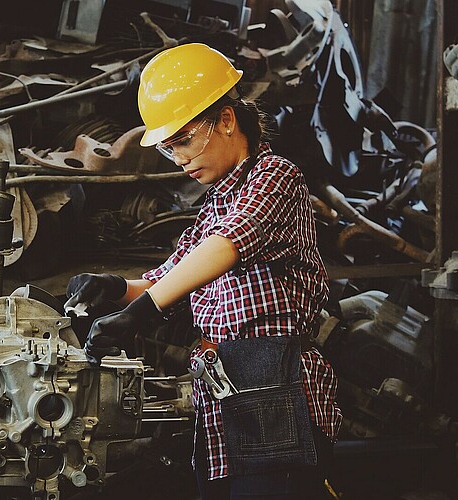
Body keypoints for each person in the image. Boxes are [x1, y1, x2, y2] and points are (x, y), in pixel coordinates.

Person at [64, 43, 342, 499]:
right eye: (170, 148)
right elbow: (167, 279)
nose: (179, 159)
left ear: (227, 120)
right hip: (222, 392)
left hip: (274, 388)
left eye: (185, 140)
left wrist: (143, 312)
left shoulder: (275, 177)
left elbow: (226, 246)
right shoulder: (213, 207)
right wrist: (113, 289)